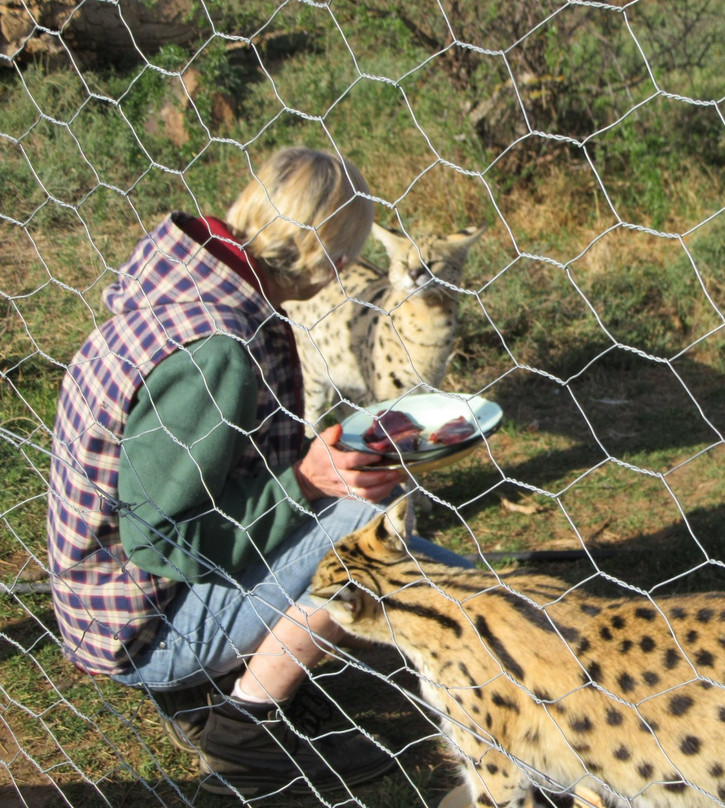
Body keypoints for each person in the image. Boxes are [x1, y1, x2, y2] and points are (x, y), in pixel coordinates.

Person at [46, 146, 463, 798]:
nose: (352, 268)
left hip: (112, 601)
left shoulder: (187, 286)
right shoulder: (216, 352)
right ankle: (249, 733)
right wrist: (308, 483)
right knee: (365, 516)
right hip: (140, 632)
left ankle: (206, 693)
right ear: (330, 257)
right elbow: (158, 541)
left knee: (433, 567)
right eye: (348, 251)